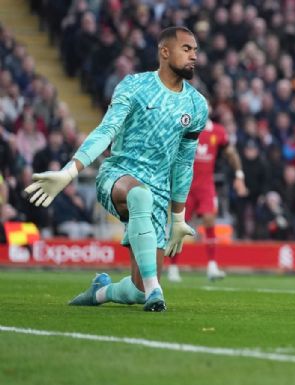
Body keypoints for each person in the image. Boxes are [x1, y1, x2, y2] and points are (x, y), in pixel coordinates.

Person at [24, 27, 208, 312]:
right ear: (165, 52)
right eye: (187, 49)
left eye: (195, 50)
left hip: (159, 192)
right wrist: (70, 172)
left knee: (137, 288)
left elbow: (184, 163)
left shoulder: (196, 105)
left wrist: (178, 218)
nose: (194, 56)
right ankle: (156, 292)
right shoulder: (134, 86)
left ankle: (101, 292)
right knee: (139, 196)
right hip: (117, 176)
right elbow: (107, 130)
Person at [167, 115, 247, 282]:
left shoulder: (217, 131)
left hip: (205, 186)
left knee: (210, 220)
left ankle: (212, 266)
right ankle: (173, 267)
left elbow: (230, 153)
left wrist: (239, 175)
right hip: (185, 186)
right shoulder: (186, 127)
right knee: (179, 226)